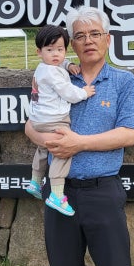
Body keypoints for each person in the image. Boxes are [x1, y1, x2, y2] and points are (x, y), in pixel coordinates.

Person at [24, 7, 134, 266]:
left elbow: (128, 134)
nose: (88, 41)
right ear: (71, 44)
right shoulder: (55, 74)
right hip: (59, 195)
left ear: (108, 39)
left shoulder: (123, 81)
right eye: (80, 36)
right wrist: (49, 141)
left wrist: (78, 144)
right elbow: (30, 123)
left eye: (95, 34)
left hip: (102, 192)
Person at [25, 25, 95, 216]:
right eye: (50, 50)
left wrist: (68, 65)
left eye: (60, 49)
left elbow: (58, 64)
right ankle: (56, 194)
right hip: (54, 119)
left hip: (38, 118)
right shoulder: (53, 73)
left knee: (42, 148)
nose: (56, 54)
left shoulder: (43, 68)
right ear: (39, 52)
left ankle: (35, 181)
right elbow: (67, 92)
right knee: (62, 151)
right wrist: (84, 92)